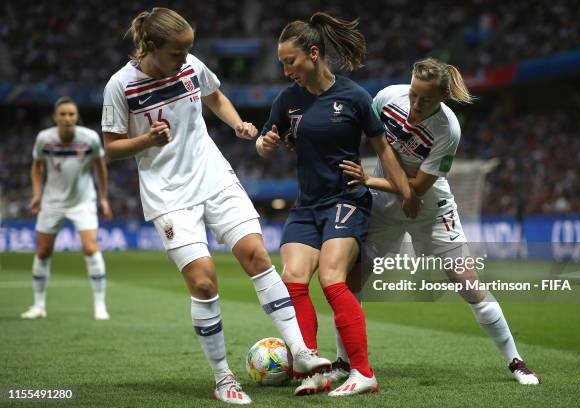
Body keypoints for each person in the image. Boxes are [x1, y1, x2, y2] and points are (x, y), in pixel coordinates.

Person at [101, 7, 330, 405]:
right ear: (152, 47)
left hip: (213, 176)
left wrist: (237, 124)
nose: (184, 59)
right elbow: (111, 145)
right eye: (176, 53)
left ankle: (302, 351)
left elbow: (215, 96)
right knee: (204, 282)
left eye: (188, 51)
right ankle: (223, 377)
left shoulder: (190, 64)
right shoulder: (120, 86)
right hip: (168, 194)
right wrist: (146, 142)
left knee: (257, 255)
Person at [336, 57, 540, 385]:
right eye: (414, 94)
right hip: (383, 207)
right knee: (350, 282)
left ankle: (515, 360)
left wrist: (370, 180)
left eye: (425, 99)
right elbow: (361, 130)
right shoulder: (388, 97)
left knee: (468, 282)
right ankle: (344, 362)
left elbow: (416, 191)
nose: (415, 104)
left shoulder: (448, 129)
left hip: (430, 211)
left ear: (441, 98)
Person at [256, 12, 419, 397]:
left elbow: (385, 150)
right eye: (281, 63)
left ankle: (363, 372)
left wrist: (406, 192)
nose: (285, 70)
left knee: (331, 278)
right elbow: (267, 139)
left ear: (313, 54)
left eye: (290, 61)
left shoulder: (354, 97)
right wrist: (264, 144)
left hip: (346, 201)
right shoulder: (287, 100)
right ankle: (312, 367)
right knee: (292, 280)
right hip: (307, 205)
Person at [21, 96, 113, 321]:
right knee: (43, 252)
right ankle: (38, 305)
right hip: (52, 202)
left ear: (77, 117)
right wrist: (36, 195)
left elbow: (100, 168)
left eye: (71, 114)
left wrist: (103, 197)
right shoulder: (44, 139)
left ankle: (100, 306)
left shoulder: (89, 139)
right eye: (62, 114)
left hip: (83, 201)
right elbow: (37, 167)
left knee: (90, 248)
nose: (67, 118)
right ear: (55, 117)